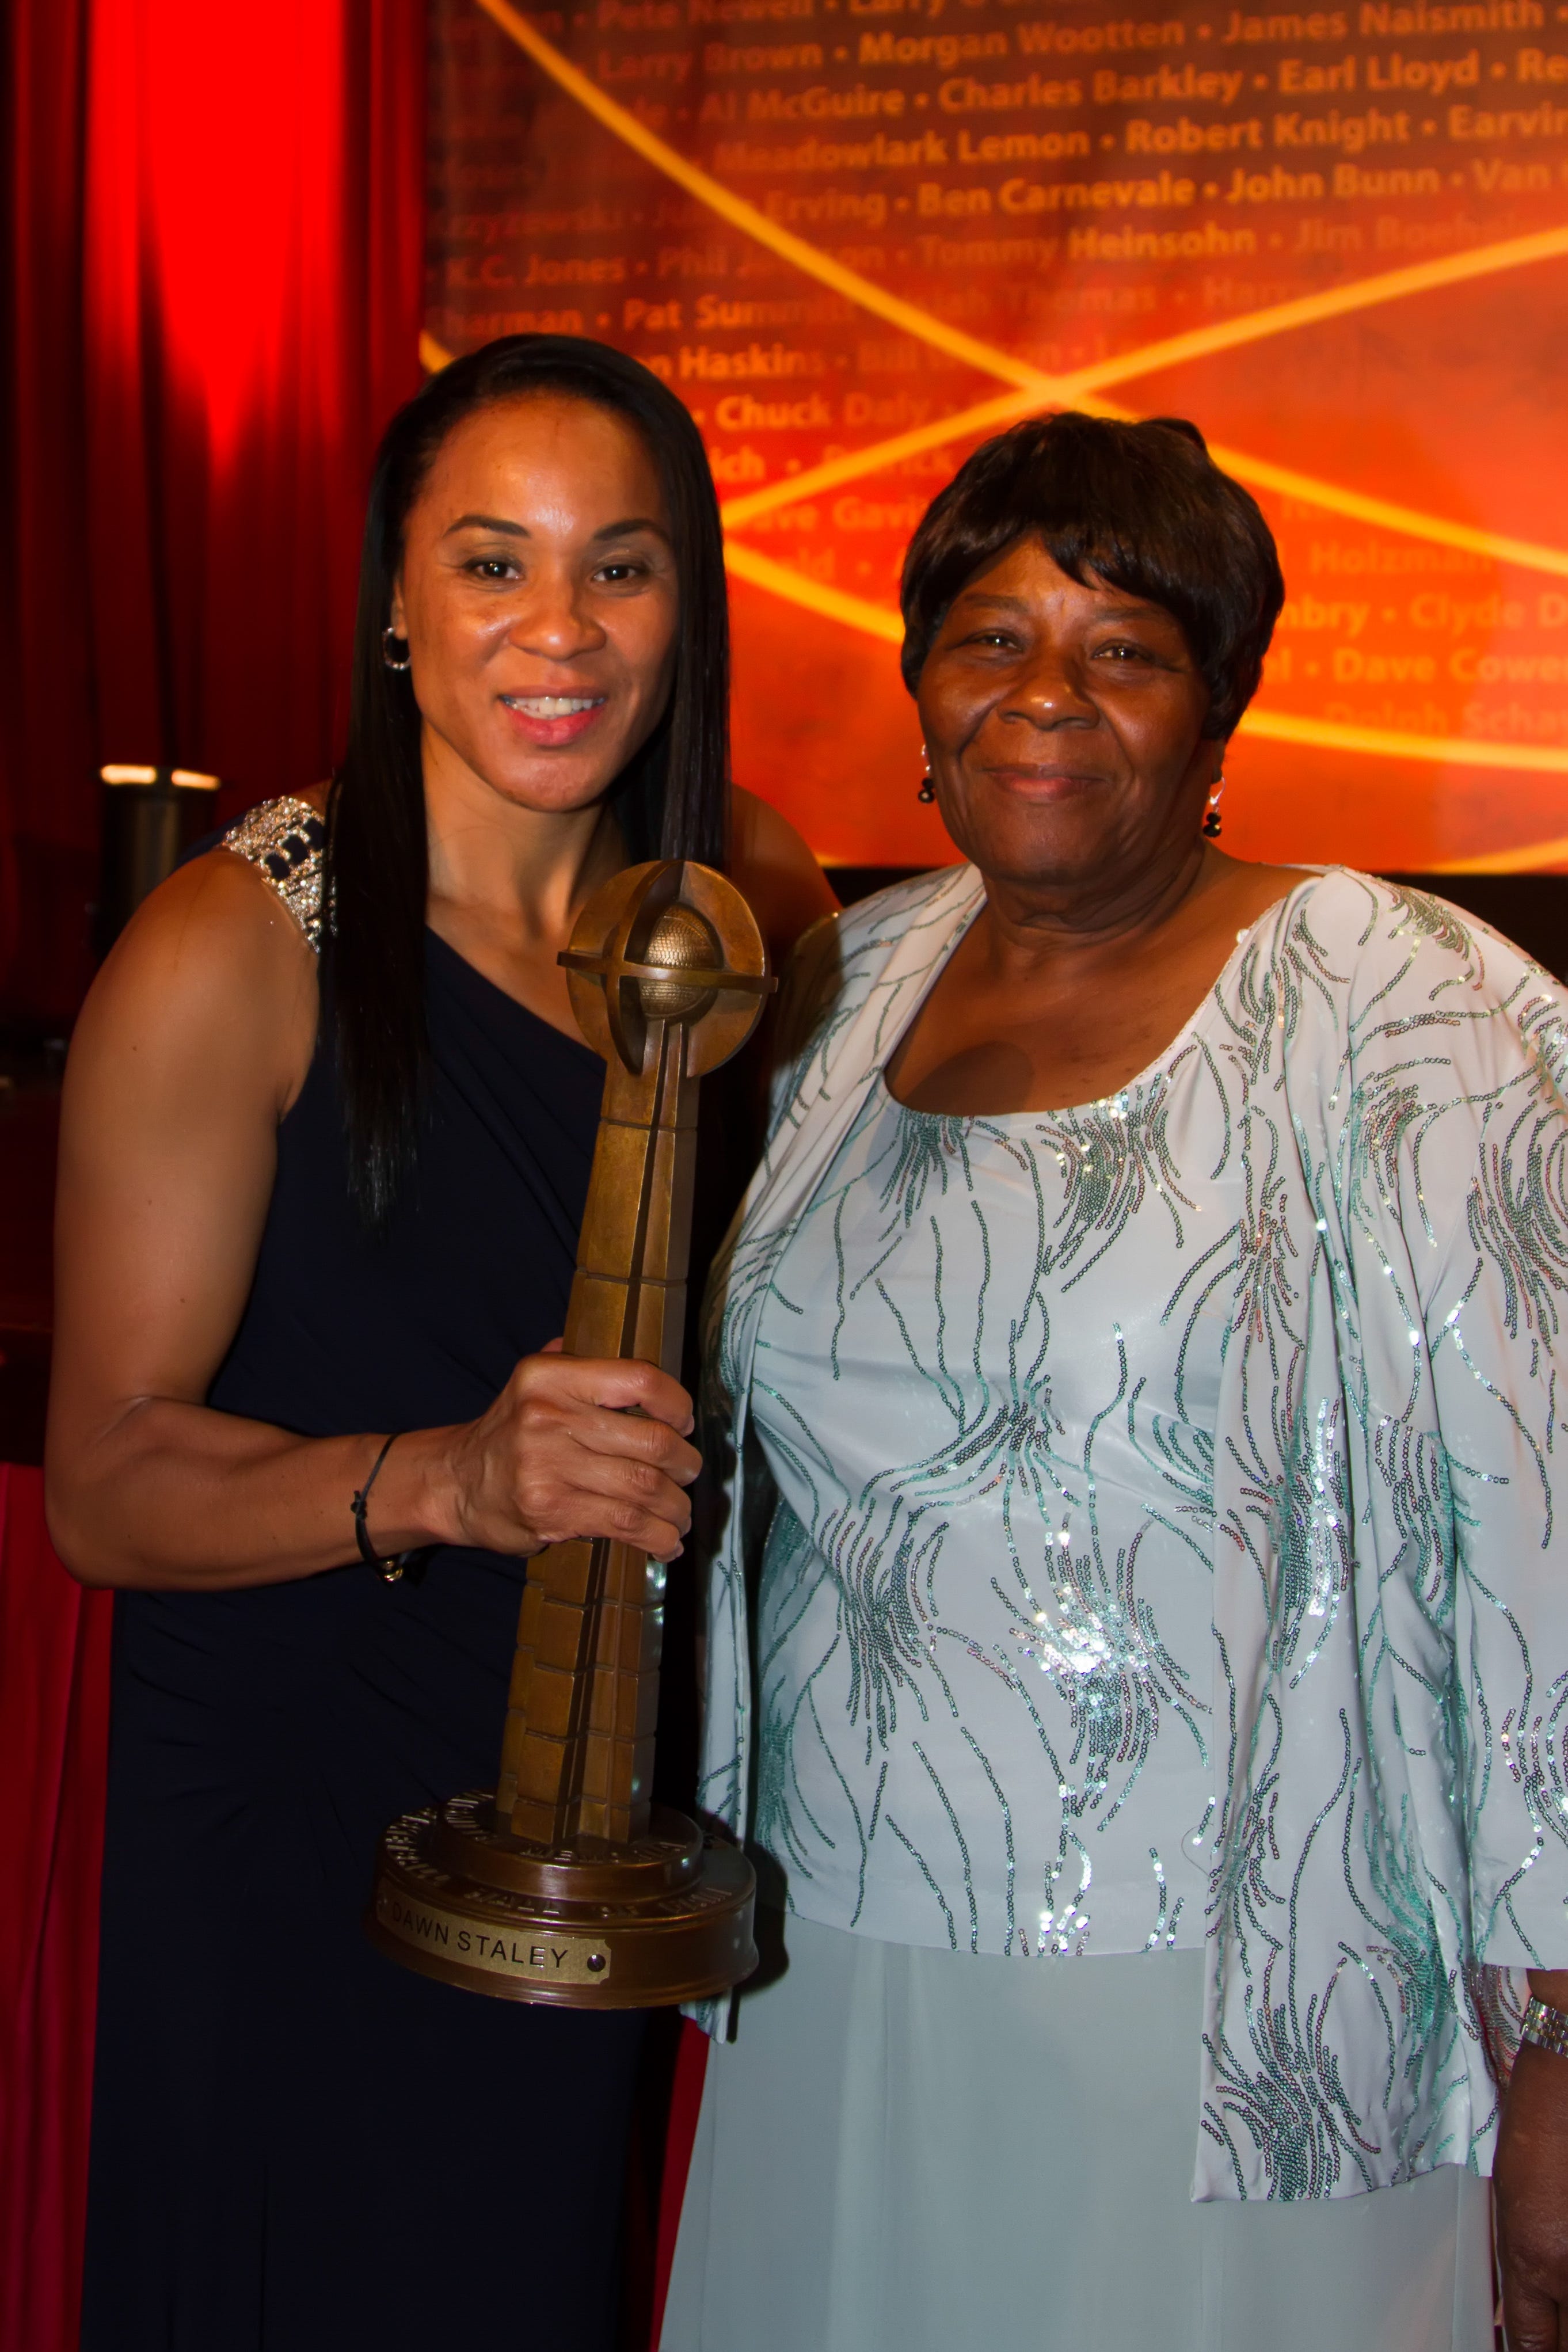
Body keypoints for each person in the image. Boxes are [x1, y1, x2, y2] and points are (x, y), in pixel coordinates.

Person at [662, 412, 1568, 2352]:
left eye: (1121, 649)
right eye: (986, 637)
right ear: (914, 684)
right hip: (832, 1959)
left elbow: (1540, 1538)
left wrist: (1562, 2023)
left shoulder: (1412, 1009)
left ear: (1218, 704)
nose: (1041, 697)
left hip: (1238, 2009)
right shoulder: (839, 995)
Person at [46, 333, 835, 2352]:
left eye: (620, 567)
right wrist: (455, 1477)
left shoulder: (751, 909)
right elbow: (108, 1480)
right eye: (491, 565)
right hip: (294, 1817)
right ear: (394, 605)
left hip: (588, 1834)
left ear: (692, 606)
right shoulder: (238, 947)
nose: (555, 629)